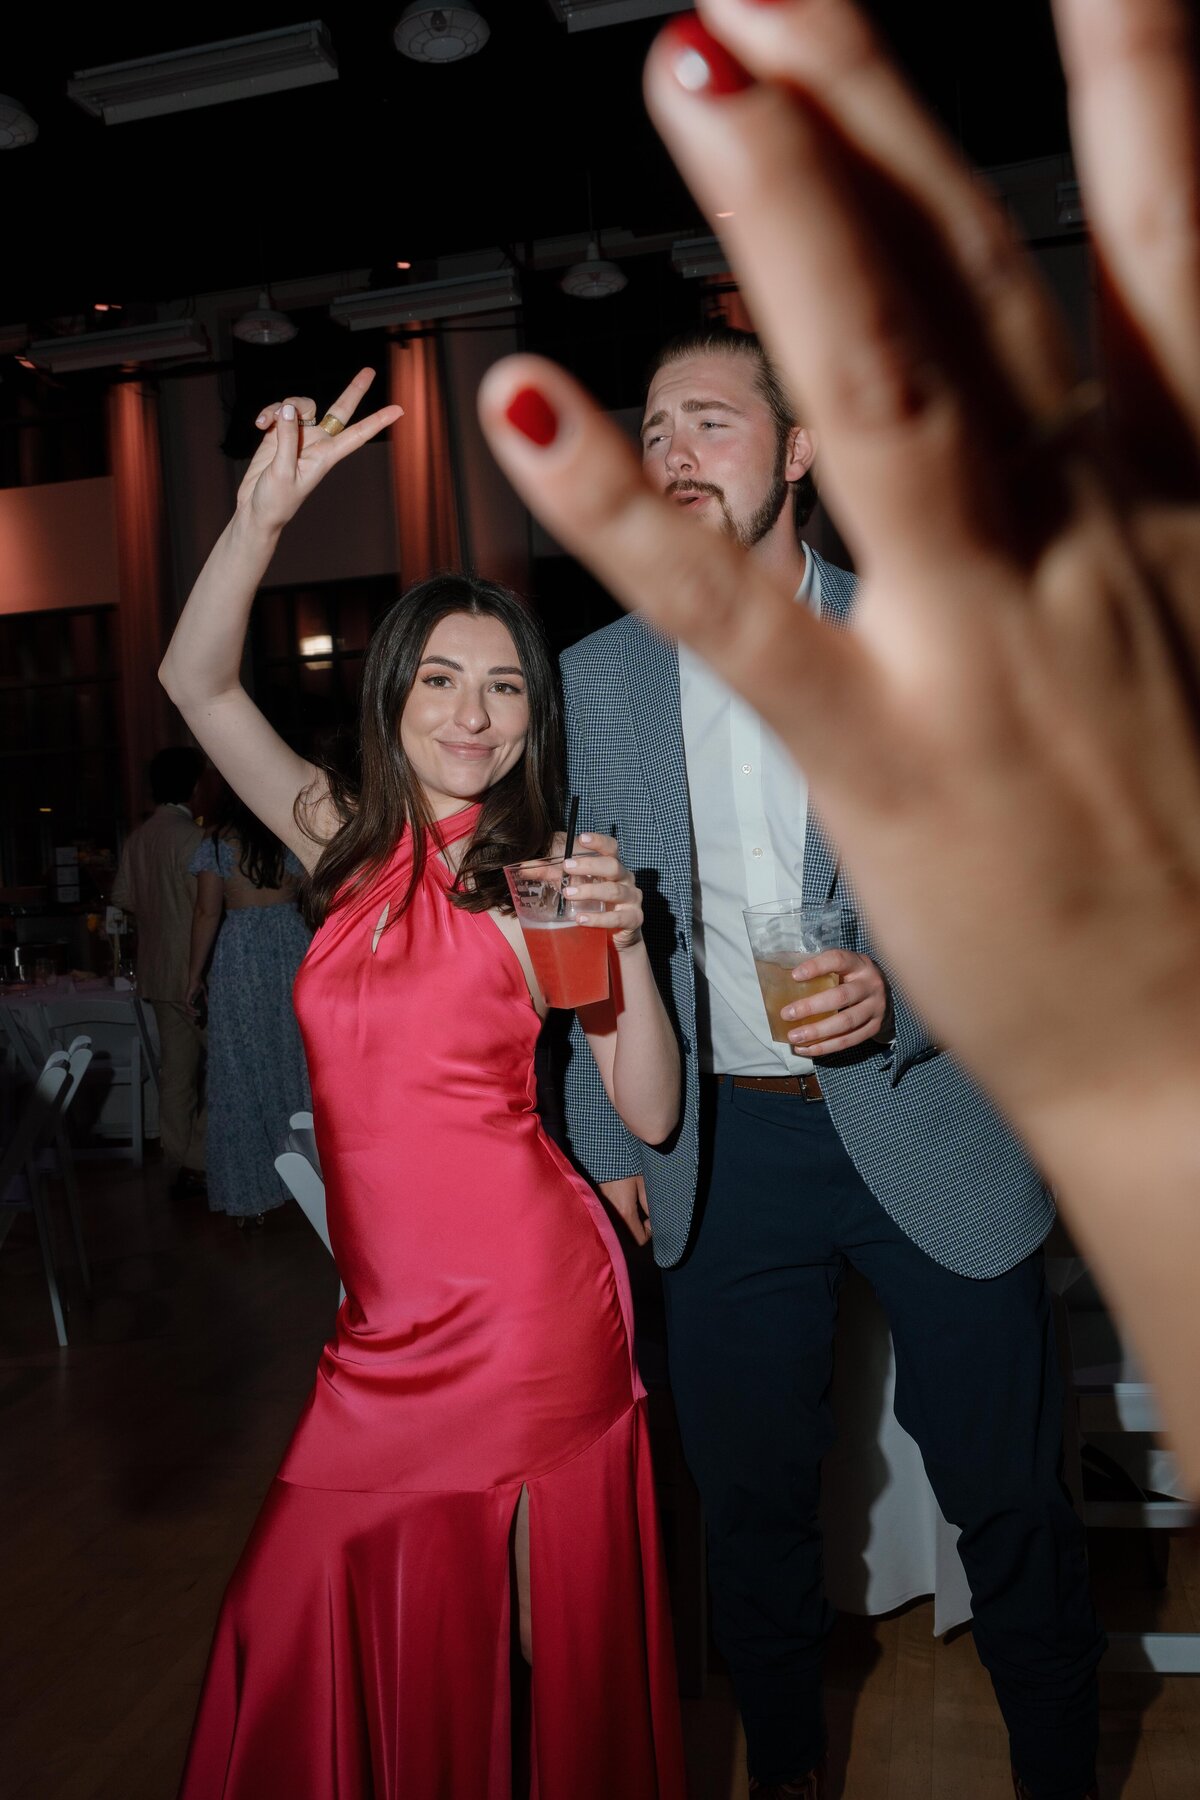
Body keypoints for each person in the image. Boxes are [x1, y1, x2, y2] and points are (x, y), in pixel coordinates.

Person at [474, 0, 1200, 1695]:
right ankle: (788, 1755)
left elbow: (1025, 907)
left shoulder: (922, 643)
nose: (669, 459)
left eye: (708, 426)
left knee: (1010, 1495)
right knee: (748, 1511)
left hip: (932, 1120)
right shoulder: (587, 683)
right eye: (650, 436)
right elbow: (592, 938)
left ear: (797, 453)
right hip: (720, 1151)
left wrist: (909, 998)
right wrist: (609, 1136)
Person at [158, 369, 687, 1800]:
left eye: (505, 685)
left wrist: (628, 948)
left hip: (527, 1319)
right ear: (393, 691)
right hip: (378, 1339)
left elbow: (645, 1108)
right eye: (442, 679)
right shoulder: (338, 841)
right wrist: (259, 520)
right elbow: (194, 683)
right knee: (295, 1605)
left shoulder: (540, 887)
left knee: (533, 1643)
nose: (474, 714)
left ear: (533, 715)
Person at [185, 782, 313, 1227]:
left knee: (242, 1067)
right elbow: (320, 897)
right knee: (298, 1063)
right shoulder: (289, 833)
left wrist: (193, 974)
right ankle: (313, 1184)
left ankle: (252, 1193)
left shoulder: (219, 842)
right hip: (293, 945)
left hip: (240, 952)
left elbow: (206, 913)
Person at [111, 744, 208, 1195]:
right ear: (193, 785)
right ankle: (200, 1157)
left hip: (155, 968)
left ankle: (177, 1156)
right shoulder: (193, 839)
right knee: (224, 1065)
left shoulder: (139, 837)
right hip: (194, 969)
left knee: (177, 1072)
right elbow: (207, 905)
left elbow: (125, 897)